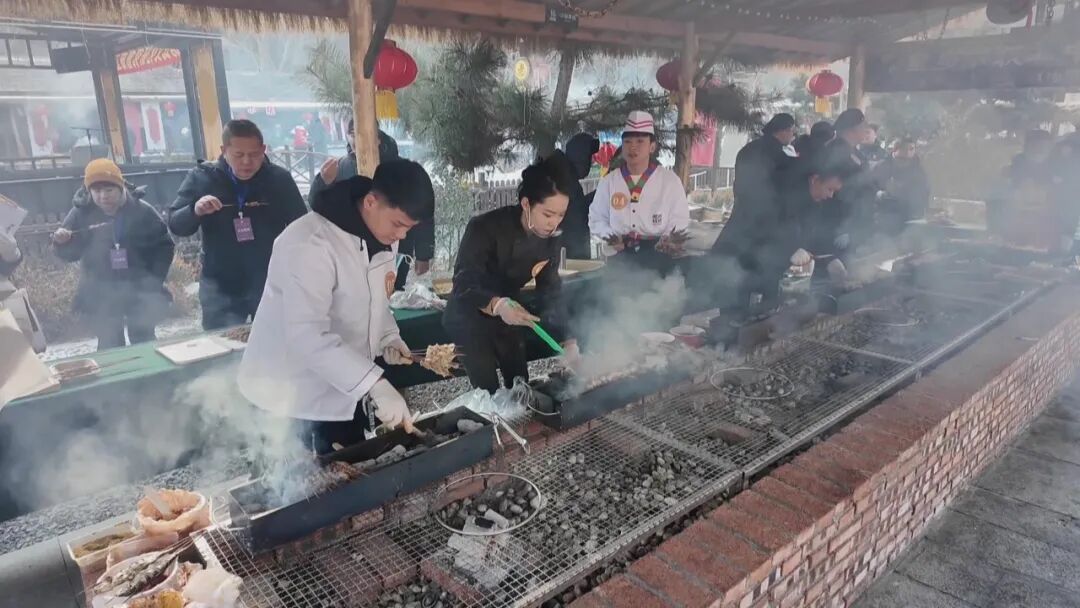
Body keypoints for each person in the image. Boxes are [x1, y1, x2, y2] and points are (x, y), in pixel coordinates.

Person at [238, 159, 435, 454]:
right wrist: (375, 383)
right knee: (296, 479)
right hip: (289, 393)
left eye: (409, 228)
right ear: (371, 202)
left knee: (351, 468)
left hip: (345, 385)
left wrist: (388, 337)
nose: (402, 236)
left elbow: (376, 299)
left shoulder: (383, 235)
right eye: (398, 225)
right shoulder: (309, 243)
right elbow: (306, 335)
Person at [443, 154, 579, 394]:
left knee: (519, 386)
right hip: (469, 315)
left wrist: (568, 339)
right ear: (526, 204)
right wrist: (497, 305)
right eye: (548, 214)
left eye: (561, 215)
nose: (554, 223)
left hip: (510, 315)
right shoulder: (483, 227)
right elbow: (463, 282)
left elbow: (550, 290)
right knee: (488, 392)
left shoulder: (550, 238)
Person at [168, 119, 308, 330]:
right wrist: (195, 210)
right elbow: (176, 224)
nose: (246, 162)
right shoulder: (202, 178)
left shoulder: (279, 179)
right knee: (222, 343)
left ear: (264, 149)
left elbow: (301, 227)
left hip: (269, 280)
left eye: (254, 154)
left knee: (275, 340)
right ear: (224, 150)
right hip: (220, 285)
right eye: (239, 155)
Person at [52, 159, 175, 349]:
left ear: (120, 187)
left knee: (144, 339)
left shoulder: (142, 210)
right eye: (96, 191)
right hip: (101, 290)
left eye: (109, 190)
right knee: (109, 343)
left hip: (139, 287)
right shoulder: (80, 213)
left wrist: (153, 280)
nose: (103, 196)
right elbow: (70, 254)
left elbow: (165, 246)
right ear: (89, 191)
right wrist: (62, 243)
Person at [312, 120, 432, 290]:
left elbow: (422, 214)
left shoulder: (400, 170)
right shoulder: (340, 167)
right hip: (354, 250)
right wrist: (322, 182)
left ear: (378, 138)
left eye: (363, 134)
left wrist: (423, 253)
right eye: (352, 134)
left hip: (395, 251)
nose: (356, 139)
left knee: (392, 290)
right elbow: (321, 205)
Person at [708, 113, 798, 313]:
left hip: (740, 219)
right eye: (792, 131)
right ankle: (757, 319)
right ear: (784, 130)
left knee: (735, 278)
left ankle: (730, 319)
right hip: (763, 226)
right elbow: (784, 191)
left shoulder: (747, 149)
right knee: (760, 277)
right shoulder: (778, 155)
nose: (793, 135)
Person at [589, 111, 690, 273]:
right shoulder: (609, 181)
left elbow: (680, 218)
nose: (633, 147)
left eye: (640, 141)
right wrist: (609, 236)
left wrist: (667, 239)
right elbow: (596, 218)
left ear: (652, 146)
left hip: (658, 255)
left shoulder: (670, 181)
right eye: (627, 141)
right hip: (620, 255)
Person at [821, 109, 875, 263]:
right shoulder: (835, 151)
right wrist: (845, 228)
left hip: (855, 225)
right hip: (838, 226)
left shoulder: (855, 152)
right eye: (863, 126)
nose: (866, 130)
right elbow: (835, 192)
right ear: (851, 129)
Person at [550, 132, 600, 260]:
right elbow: (577, 214)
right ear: (582, 158)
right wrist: (601, 193)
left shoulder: (564, 174)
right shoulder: (565, 180)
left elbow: (578, 206)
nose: (592, 162)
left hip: (568, 250)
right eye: (590, 157)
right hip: (570, 254)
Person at [872, 138, 931, 234]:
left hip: (910, 217)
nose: (908, 152)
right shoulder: (882, 166)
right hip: (885, 216)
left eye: (911, 149)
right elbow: (870, 188)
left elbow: (924, 191)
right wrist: (880, 194)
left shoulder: (918, 169)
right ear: (895, 149)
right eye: (904, 149)